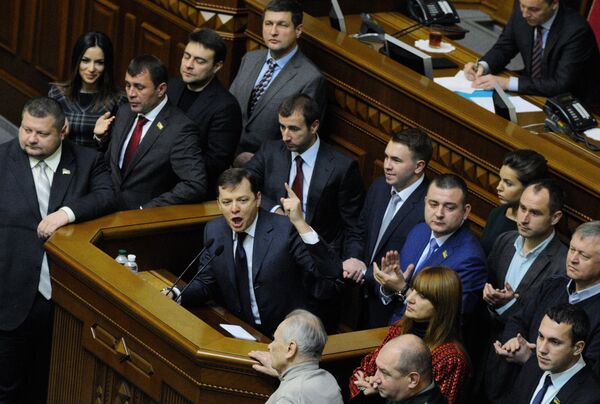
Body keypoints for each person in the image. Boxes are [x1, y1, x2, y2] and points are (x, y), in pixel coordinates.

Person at [0, 97, 115, 403]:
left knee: (51, 387)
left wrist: (66, 213)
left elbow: (107, 195)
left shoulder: (87, 161)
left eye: (41, 133)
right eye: (26, 130)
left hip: (62, 300)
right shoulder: (2, 160)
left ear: (63, 131)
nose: (31, 139)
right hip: (10, 296)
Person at [175, 168, 342, 336]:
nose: (234, 209)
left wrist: (300, 223)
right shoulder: (214, 231)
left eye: (242, 200)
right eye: (227, 202)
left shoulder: (285, 230)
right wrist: (176, 293)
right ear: (218, 203)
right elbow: (206, 283)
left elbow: (329, 274)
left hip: (287, 334)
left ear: (258, 199)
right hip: (240, 331)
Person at [487, 221, 600, 402]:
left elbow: (589, 374)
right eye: (572, 249)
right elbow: (519, 319)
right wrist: (514, 342)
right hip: (516, 386)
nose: (573, 259)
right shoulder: (552, 284)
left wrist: (530, 360)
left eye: (584, 256)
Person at [245, 93, 364, 256]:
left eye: (293, 129)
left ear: (314, 126)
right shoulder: (270, 151)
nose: (285, 137)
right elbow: (243, 184)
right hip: (272, 247)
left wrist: (353, 258)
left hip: (317, 253)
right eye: (282, 127)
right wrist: (275, 209)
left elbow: (354, 225)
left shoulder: (342, 167)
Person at [343, 128, 432, 329]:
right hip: (359, 300)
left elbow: (411, 267)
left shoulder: (429, 208)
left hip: (392, 311)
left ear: (419, 166)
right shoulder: (379, 187)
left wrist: (364, 273)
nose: (387, 166)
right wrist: (355, 259)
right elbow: (359, 231)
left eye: (396, 160)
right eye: (386, 157)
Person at [94, 54, 208, 210]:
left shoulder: (180, 129)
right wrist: (100, 138)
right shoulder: (124, 111)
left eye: (139, 87)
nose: (131, 93)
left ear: (160, 89)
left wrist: (147, 210)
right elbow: (111, 163)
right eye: (128, 85)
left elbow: (195, 184)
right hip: (107, 207)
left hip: (142, 218)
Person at [374, 174, 487, 322]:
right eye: (433, 204)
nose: (439, 214)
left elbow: (450, 318)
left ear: (465, 212)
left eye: (449, 207)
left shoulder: (470, 259)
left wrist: (402, 289)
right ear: (425, 202)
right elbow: (396, 290)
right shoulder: (419, 231)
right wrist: (388, 285)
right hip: (392, 325)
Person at [350, 267, 469, 404]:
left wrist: (378, 391)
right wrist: (366, 387)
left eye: (422, 296)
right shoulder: (399, 328)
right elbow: (360, 373)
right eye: (413, 290)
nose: (410, 298)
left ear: (442, 306)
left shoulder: (451, 359)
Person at [229, 0, 326, 162]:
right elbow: (228, 106)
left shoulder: (310, 78)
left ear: (298, 30)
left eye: (282, 25)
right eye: (268, 24)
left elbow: (302, 137)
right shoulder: (250, 59)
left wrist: (259, 160)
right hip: (227, 153)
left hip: (267, 164)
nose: (273, 32)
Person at [463, 0, 600, 104]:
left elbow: (561, 84)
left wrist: (507, 83)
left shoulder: (576, 31)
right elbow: (504, 48)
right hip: (531, 91)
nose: (525, 14)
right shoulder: (523, 12)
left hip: (571, 102)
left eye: (534, 9)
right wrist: (483, 66)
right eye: (522, 6)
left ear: (554, 4)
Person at [167, 28, 242, 198]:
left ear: (217, 66)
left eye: (199, 61)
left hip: (191, 190)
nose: (188, 65)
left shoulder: (226, 107)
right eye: (186, 56)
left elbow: (216, 162)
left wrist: (166, 159)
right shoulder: (172, 86)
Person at [484, 179, 567, 326]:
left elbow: (544, 321)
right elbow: (487, 282)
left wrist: (507, 306)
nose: (524, 219)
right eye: (522, 208)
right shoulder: (505, 240)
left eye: (535, 213)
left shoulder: (563, 264)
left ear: (555, 218)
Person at [248, 309, 343, 404]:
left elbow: (296, 395)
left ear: (290, 349)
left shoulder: (286, 399)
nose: (269, 346)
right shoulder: (329, 380)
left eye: (275, 339)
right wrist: (282, 373)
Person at [48, 31, 125, 149]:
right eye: (85, 60)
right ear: (77, 61)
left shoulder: (118, 99)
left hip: (97, 159)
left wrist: (100, 137)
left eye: (99, 62)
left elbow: (118, 149)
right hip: (63, 157)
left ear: (107, 65)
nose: (91, 68)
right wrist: (60, 135)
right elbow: (46, 139)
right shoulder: (57, 94)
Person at [510, 304, 600, 404]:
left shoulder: (592, 397)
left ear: (578, 348)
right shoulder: (532, 365)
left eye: (554, 342)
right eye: (541, 336)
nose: (542, 349)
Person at [480, 149, 548, 255]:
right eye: (500, 179)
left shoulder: (530, 227)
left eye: (508, 183)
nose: (498, 187)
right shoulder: (497, 212)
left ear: (529, 188)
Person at [361, 334, 447, 404]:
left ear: (412, 380)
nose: (375, 378)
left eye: (385, 373)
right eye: (378, 368)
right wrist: (373, 396)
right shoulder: (403, 394)